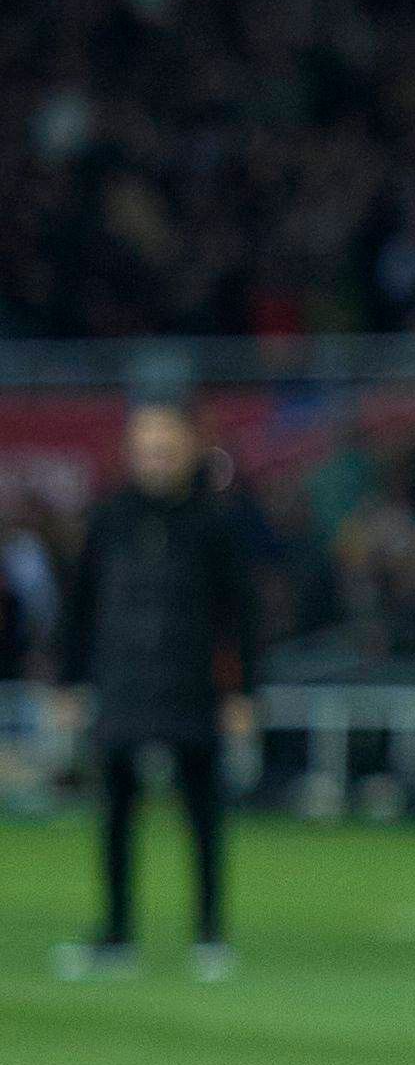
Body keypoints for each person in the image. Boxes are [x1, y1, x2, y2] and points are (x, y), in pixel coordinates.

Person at [47, 398, 261, 981]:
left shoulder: (213, 523)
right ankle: (116, 934)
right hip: (122, 683)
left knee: (203, 812)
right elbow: (80, 606)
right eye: (147, 448)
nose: (157, 458)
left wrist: (243, 691)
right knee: (115, 812)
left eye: (166, 447)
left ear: (188, 448)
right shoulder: (109, 519)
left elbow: (240, 613)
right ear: (131, 452)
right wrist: (69, 681)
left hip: (190, 685)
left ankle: (210, 933)